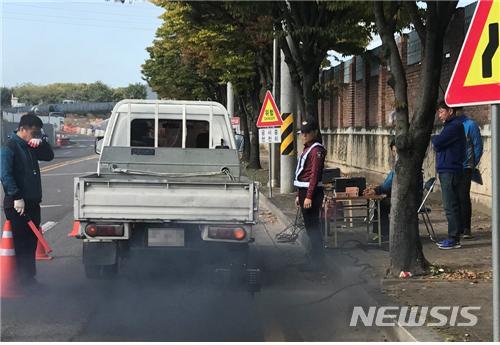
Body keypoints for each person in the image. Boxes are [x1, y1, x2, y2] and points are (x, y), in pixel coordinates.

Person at [1, 113, 54, 285]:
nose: (35, 136)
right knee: (21, 244)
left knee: (31, 243)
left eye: (38, 133)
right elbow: (5, 174)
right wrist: (16, 196)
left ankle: (29, 280)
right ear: (22, 129)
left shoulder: (30, 145)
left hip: (32, 202)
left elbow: (49, 156)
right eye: (34, 132)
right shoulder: (10, 146)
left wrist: (42, 142)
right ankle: (20, 282)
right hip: (18, 205)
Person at [432, 101, 466, 250]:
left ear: (450, 111)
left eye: (441, 112)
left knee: (450, 206)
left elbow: (438, 143)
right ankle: (455, 236)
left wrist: (434, 139)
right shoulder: (452, 126)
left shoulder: (453, 127)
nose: (440, 115)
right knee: (454, 205)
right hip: (450, 169)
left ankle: (453, 238)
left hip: (450, 170)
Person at [294, 118, 326, 270]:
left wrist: (308, 196)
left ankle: (317, 260)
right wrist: (298, 195)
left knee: (313, 227)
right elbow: (303, 172)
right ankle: (313, 257)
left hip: (311, 192)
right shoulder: (308, 149)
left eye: (307, 132)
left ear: (315, 133)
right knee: (309, 226)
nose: (304, 135)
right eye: (302, 133)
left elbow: (314, 175)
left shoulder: (317, 150)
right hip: (304, 190)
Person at [456, 110, 483, 239]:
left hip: (466, 167)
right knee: (454, 198)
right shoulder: (451, 125)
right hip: (453, 167)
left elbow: (478, 146)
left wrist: (472, 163)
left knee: (463, 197)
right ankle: (457, 227)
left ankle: (466, 228)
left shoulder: (470, 125)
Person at [363, 139, 397, 242]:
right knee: (381, 201)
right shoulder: (395, 168)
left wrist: (377, 190)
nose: (396, 154)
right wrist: (376, 189)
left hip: (405, 199)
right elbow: (387, 184)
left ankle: (383, 234)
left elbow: (388, 186)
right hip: (396, 195)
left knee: (381, 203)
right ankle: (382, 233)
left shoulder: (403, 166)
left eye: (397, 151)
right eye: (394, 151)